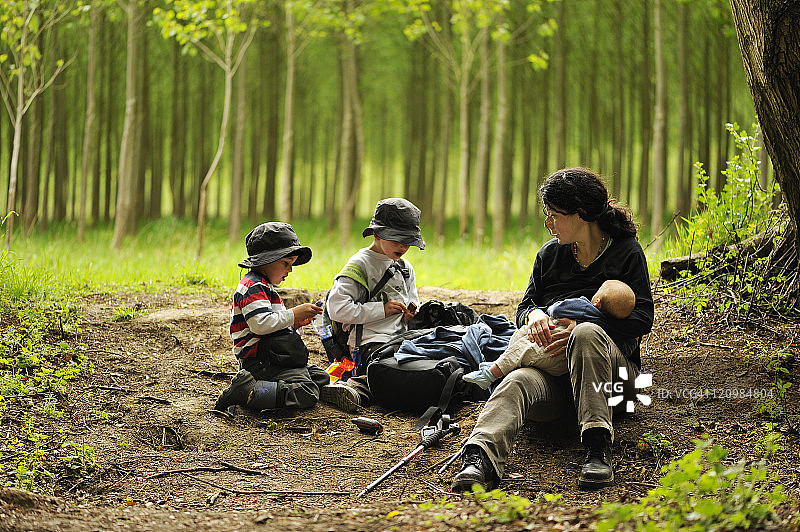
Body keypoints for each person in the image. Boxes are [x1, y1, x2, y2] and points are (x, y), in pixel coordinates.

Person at [451, 167, 654, 492]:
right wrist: (535, 317)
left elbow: (642, 319)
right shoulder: (550, 255)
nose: (547, 223)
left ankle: (598, 446)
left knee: (585, 335)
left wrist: (586, 324)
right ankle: (480, 457)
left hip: (615, 387)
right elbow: (524, 308)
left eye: (554, 215)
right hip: (557, 387)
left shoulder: (626, 252)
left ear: (581, 214)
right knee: (517, 378)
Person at [319, 198, 424, 412]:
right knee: (395, 367)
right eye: (397, 240)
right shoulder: (360, 265)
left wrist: (411, 315)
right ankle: (355, 388)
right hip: (370, 342)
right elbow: (337, 308)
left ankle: (368, 386)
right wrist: (381, 310)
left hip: (402, 337)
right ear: (377, 234)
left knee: (421, 360)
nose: (403, 246)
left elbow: (412, 300)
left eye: (408, 241)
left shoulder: (405, 268)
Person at [213, 222, 329, 413]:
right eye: (286, 263)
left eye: (292, 264)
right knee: (307, 391)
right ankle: (249, 391)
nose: (290, 270)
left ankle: (273, 389)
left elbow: (274, 326)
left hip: (273, 358)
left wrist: (295, 323)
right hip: (260, 363)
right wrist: (293, 314)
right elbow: (260, 325)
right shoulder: (252, 286)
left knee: (320, 377)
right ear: (266, 260)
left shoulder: (264, 286)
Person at [463, 280, 636, 386]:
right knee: (522, 336)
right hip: (563, 365)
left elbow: (557, 309)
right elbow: (627, 347)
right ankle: (501, 364)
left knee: (524, 346)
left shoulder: (584, 306)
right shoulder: (617, 330)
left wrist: (547, 310)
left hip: (551, 349)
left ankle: (490, 375)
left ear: (597, 301)